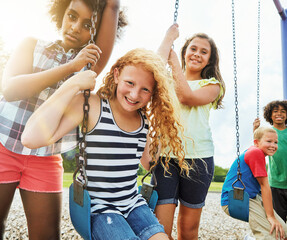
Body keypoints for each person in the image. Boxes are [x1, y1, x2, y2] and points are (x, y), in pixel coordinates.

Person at [22, 48, 191, 240]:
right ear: (117, 74)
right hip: (100, 209)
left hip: (133, 204)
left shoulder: (143, 120)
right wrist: (72, 85)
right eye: (130, 83)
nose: (135, 94)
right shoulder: (93, 106)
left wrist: (162, 124)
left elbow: (148, 163)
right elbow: (30, 138)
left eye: (145, 89)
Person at [0, 0, 126, 238]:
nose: (76, 27)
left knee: (47, 235)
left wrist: (77, 66)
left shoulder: (89, 64)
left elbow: (112, 6)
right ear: (62, 14)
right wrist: (70, 67)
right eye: (72, 16)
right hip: (3, 145)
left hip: (45, 156)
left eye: (87, 24)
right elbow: (10, 88)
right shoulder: (32, 45)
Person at [154, 23, 225, 239]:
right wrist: (168, 39)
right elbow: (154, 66)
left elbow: (186, 96)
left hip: (198, 159)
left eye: (204, 52)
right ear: (185, 51)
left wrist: (174, 61)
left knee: (188, 229)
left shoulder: (212, 85)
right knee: (160, 227)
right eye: (193, 48)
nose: (197, 54)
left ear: (210, 60)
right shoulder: (167, 79)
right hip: (166, 157)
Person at [221, 127, 287, 240]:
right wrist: (270, 216)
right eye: (269, 141)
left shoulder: (256, 152)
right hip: (234, 200)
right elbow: (264, 185)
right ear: (256, 142)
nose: (273, 145)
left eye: (276, 142)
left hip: (250, 198)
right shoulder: (255, 153)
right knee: (272, 235)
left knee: (282, 232)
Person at [253, 100, 287, 240]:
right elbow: (258, 149)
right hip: (275, 184)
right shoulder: (266, 133)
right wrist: (255, 130)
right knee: (278, 222)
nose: (279, 114)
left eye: (283, 111)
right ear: (269, 115)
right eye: (275, 111)